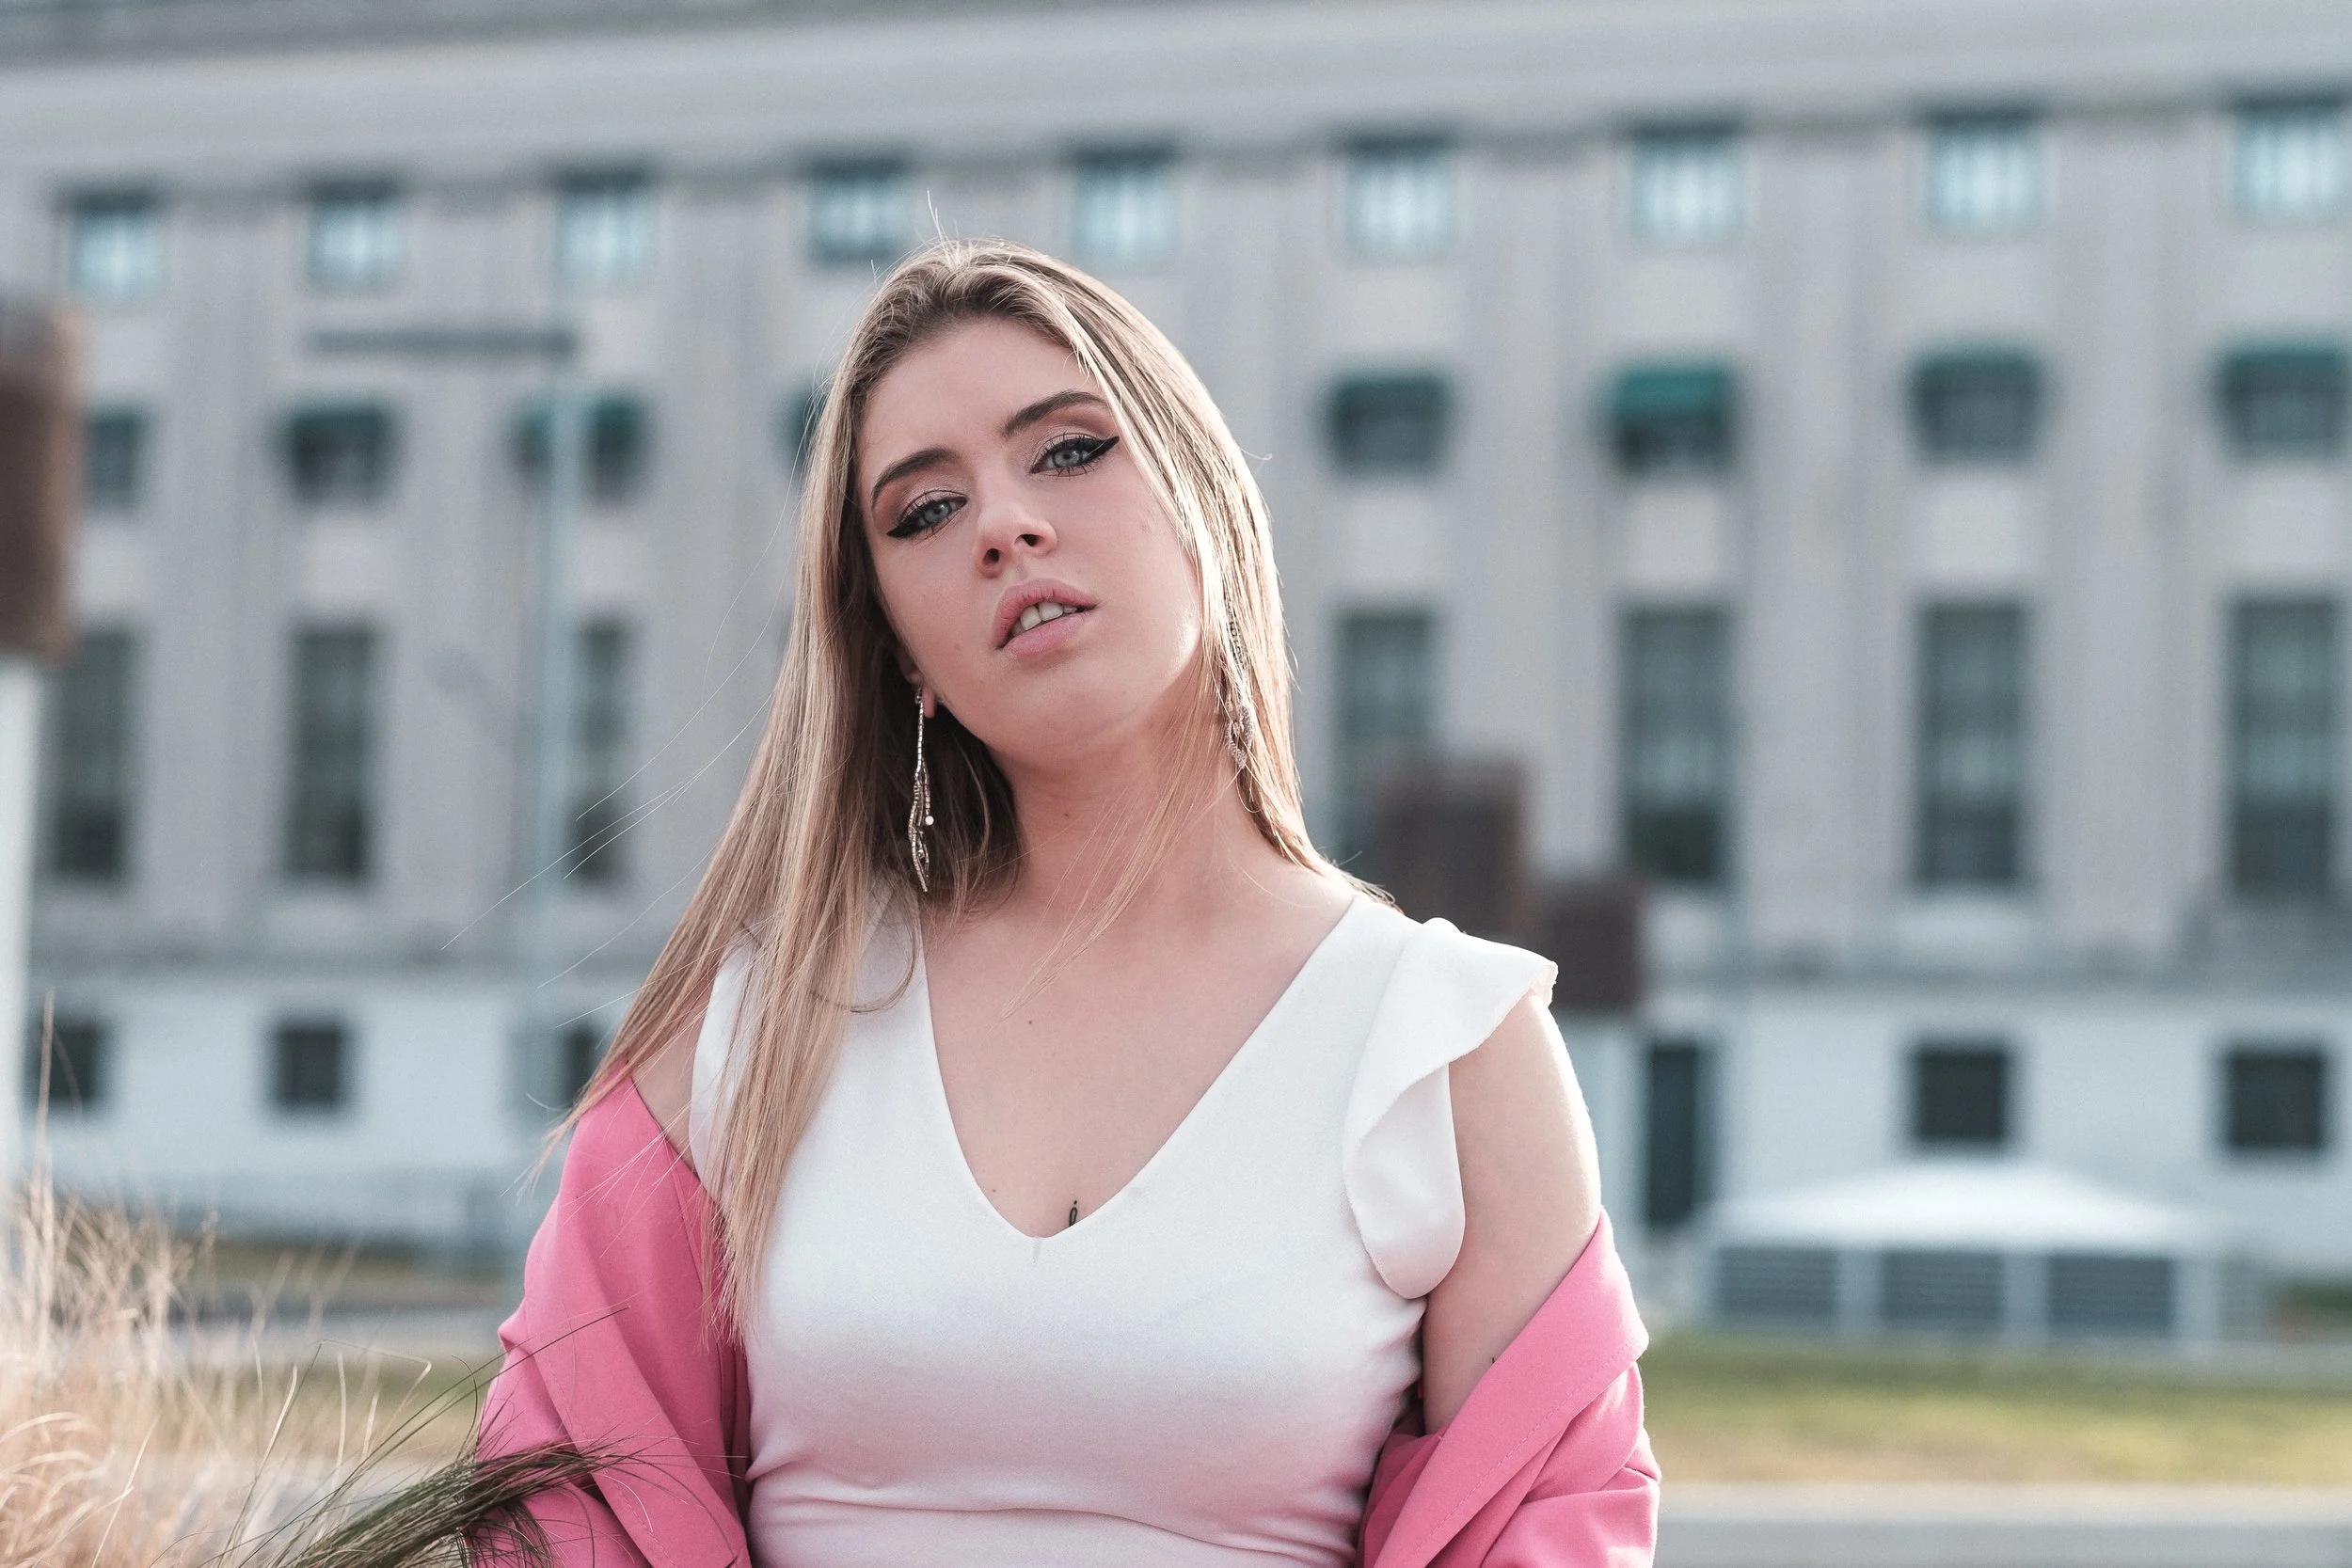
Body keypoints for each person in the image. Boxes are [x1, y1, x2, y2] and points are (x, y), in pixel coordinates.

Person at [479, 239, 1658, 1567]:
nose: (1004, 525)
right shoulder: (744, 1032)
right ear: (900, 654)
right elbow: (565, 1506)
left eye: (1070, 450)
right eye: (925, 511)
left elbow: (1546, 1529)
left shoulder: (1447, 1049)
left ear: (1205, 498)